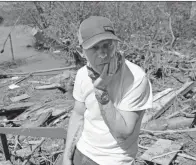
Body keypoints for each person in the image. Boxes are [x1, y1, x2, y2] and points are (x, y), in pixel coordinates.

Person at [61, 16, 153, 165]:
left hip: (114, 160)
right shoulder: (82, 75)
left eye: (107, 45)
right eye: (94, 47)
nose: (103, 53)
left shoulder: (136, 79)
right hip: (82, 151)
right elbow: (78, 114)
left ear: (116, 44)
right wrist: (67, 157)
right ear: (81, 51)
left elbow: (122, 133)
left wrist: (101, 90)